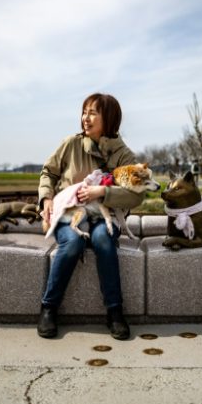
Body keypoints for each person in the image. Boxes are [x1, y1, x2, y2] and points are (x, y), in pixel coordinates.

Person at [37, 93, 145, 340]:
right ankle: (48, 308)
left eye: (93, 112)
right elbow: (48, 173)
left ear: (110, 118)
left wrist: (103, 192)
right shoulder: (70, 144)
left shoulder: (123, 155)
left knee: (104, 239)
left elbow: (137, 194)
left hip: (103, 216)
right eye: (84, 112)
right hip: (68, 212)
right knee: (72, 242)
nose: (86, 118)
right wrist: (46, 198)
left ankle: (115, 312)